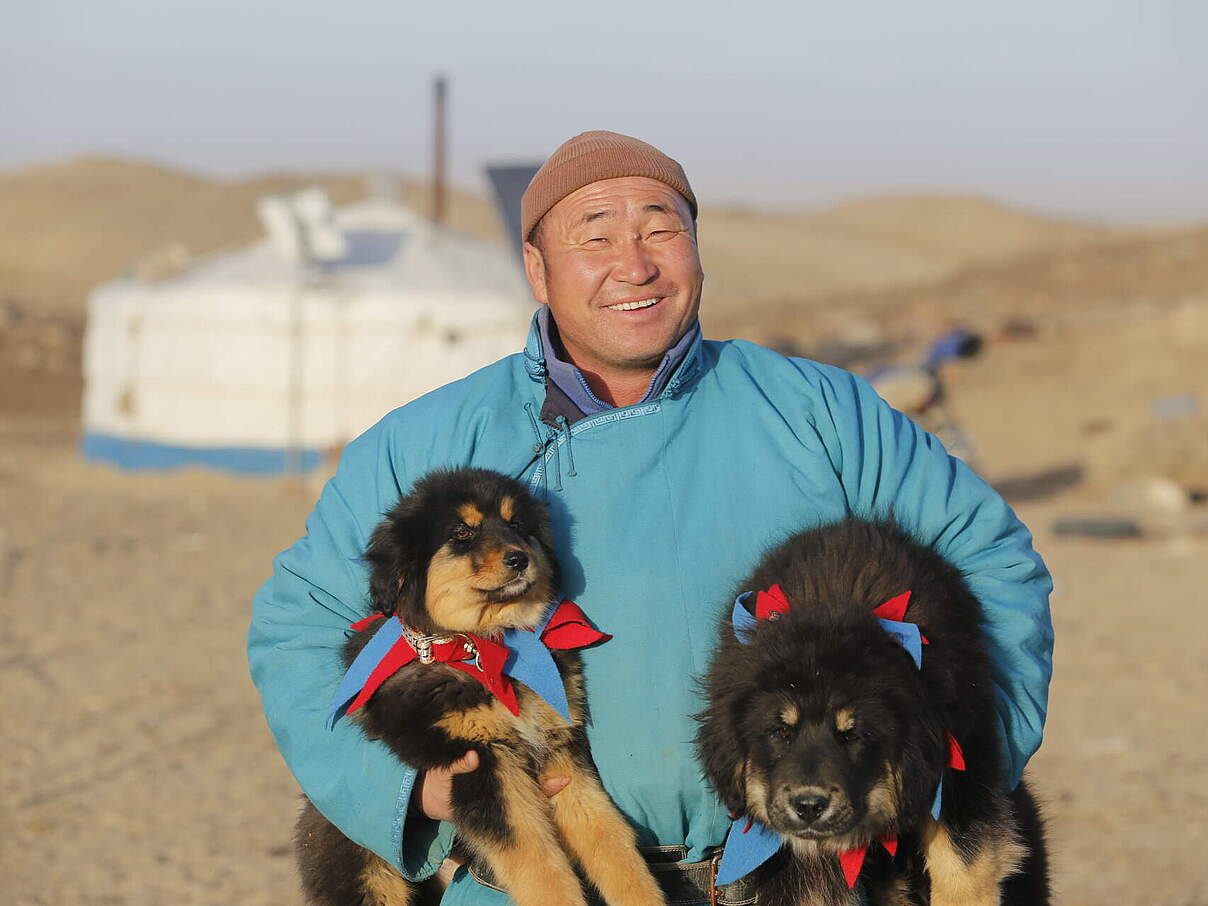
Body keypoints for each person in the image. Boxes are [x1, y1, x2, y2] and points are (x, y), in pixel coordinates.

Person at [248, 131, 1054, 905]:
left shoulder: (818, 410)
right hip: (533, 884)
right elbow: (299, 627)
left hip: (800, 880)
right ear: (537, 268)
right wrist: (405, 790)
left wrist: (958, 774)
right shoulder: (428, 441)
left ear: (697, 249)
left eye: (660, 228)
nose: (634, 264)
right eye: (594, 237)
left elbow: (993, 562)